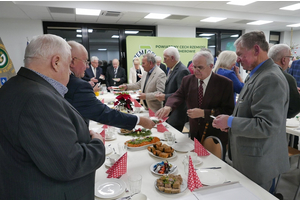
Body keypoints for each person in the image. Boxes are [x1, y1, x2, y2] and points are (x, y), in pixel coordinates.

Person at [0, 34, 105, 199]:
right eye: (67, 63)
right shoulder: (37, 99)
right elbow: (70, 163)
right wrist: (98, 143)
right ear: (56, 62)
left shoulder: (13, 86)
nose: (70, 72)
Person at [212, 31, 290, 194]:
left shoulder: (270, 78)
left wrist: (230, 122)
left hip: (260, 162)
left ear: (256, 49)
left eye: (240, 54)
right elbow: (248, 111)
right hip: (248, 158)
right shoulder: (257, 74)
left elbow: (267, 125)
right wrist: (231, 122)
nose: (238, 59)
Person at [156, 50, 234, 158]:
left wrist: (203, 113)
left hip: (214, 134)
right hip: (194, 133)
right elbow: (178, 95)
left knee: (213, 166)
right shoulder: (188, 80)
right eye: (194, 67)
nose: (196, 71)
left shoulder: (224, 83)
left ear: (211, 66)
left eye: (200, 67)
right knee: (195, 162)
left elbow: (228, 111)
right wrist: (168, 107)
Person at [65, 41, 155, 130]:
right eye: (85, 61)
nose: (87, 66)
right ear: (73, 61)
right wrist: (139, 121)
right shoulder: (78, 85)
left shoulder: (65, 81)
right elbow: (104, 113)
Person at [155, 47, 190, 131]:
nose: (163, 61)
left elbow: (182, 94)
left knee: (173, 137)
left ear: (172, 58)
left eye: (165, 58)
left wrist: (165, 96)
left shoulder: (182, 71)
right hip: (172, 110)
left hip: (177, 113)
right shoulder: (173, 69)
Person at [268, 44, 300, 118]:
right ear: (283, 60)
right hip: (276, 120)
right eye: (290, 58)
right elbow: (295, 108)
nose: (290, 61)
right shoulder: (285, 78)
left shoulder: (258, 73)